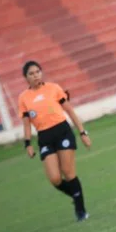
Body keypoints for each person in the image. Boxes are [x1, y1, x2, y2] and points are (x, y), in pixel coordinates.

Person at [19, 61, 91, 222]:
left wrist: (82, 132)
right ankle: (76, 195)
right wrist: (28, 143)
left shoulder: (53, 88)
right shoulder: (24, 98)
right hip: (44, 137)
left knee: (68, 172)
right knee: (55, 179)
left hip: (63, 132)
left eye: (38, 71)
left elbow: (70, 111)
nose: (36, 75)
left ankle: (81, 211)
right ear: (26, 77)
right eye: (31, 73)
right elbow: (26, 124)